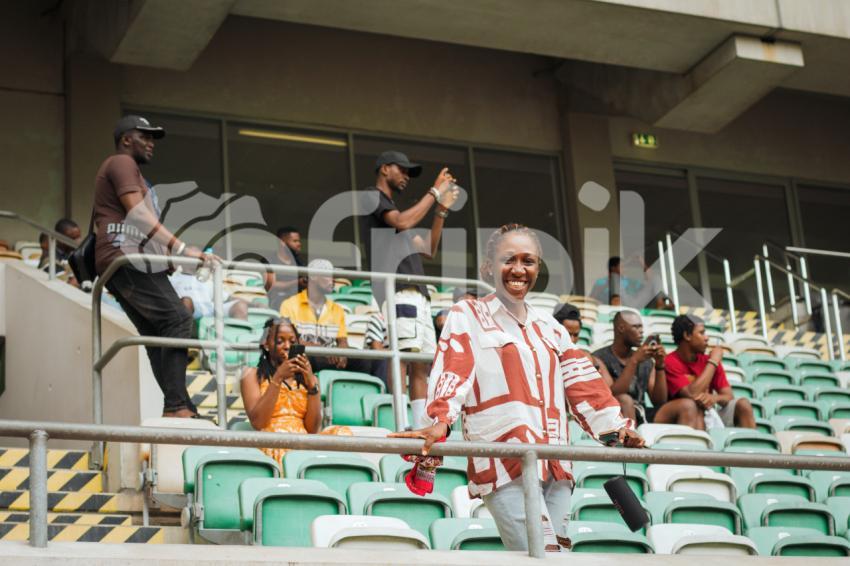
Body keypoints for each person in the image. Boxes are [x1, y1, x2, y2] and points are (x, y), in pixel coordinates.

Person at [390, 224, 643, 552]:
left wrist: (619, 430)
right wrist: (439, 421)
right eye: (509, 259)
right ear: (488, 267)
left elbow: (585, 385)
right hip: (506, 461)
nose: (519, 269)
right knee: (541, 556)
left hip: (556, 462)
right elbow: (454, 368)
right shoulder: (468, 314)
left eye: (529, 261)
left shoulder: (550, 327)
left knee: (558, 555)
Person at [93, 114, 213, 418]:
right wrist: (182, 248)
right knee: (178, 320)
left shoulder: (136, 177)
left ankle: (181, 405)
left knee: (157, 333)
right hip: (127, 258)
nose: (151, 144)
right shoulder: (121, 163)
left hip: (134, 260)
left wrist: (169, 258)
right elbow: (137, 215)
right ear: (125, 139)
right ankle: (176, 406)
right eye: (144, 137)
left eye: (152, 138)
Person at [359, 150, 458, 426]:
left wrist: (441, 210)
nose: (405, 177)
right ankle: (400, 424)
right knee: (402, 358)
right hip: (399, 288)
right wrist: (434, 192)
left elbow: (429, 248)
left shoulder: (398, 216)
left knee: (421, 364)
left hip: (417, 292)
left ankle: (419, 427)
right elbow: (402, 221)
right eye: (401, 170)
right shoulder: (372, 197)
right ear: (384, 169)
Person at [240, 317, 350, 465]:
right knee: (283, 448)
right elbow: (259, 422)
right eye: (280, 341)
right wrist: (278, 378)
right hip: (272, 441)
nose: (287, 346)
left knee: (343, 434)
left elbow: (312, 429)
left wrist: (312, 386)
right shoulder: (251, 375)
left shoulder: (308, 379)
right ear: (266, 344)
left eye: (292, 342)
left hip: (303, 442)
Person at [593, 311, 703, 427]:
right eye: (636, 327)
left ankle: (684, 445)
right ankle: (630, 442)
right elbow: (613, 395)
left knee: (688, 405)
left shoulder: (645, 361)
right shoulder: (599, 358)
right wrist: (634, 361)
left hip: (641, 411)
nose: (641, 331)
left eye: (641, 327)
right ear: (621, 328)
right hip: (613, 414)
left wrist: (660, 365)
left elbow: (659, 401)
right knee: (625, 400)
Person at [279, 258, 377, 375]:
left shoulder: (337, 309)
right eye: (329, 276)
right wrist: (323, 350)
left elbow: (342, 341)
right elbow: (292, 341)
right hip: (306, 357)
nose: (333, 280)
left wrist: (341, 352)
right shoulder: (289, 305)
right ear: (314, 277)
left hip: (329, 358)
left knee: (363, 360)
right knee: (304, 357)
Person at [665, 314, 756, 429]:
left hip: (709, 414)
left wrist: (714, 398)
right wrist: (713, 362)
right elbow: (692, 394)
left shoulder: (708, 360)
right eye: (701, 333)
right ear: (687, 335)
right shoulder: (670, 361)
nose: (707, 338)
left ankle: (750, 446)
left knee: (743, 404)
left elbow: (728, 396)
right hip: (684, 418)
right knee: (693, 408)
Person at [552, 303, 613, 384]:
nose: (572, 339)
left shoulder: (587, 357)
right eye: (567, 334)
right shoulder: (547, 355)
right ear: (555, 331)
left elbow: (608, 384)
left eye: (576, 335)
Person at [168, 268, 249, 322]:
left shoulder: (206, 280)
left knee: (240, 306)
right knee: (186, 301)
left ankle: (237, 345)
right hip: (189, 312)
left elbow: (228, 297)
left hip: (210, 310)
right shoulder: (173, 278)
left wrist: (255, 304)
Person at [266, 226, 304, 311]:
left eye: (299, 241)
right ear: (282, 242)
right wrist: (297, 282)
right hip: (277, 302)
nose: (299, 244)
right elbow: (271, 285)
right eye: (295, 241)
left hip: (298, 302)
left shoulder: (300, 264)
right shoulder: (270, 260)